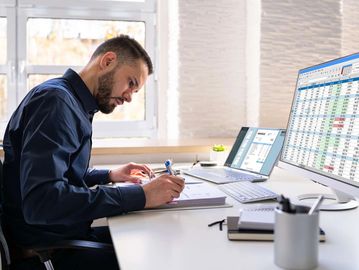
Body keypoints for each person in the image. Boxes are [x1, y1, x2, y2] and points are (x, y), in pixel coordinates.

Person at [2, 35, 185, 270]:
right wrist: (142, 196)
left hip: (63, 238)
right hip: (50, 254)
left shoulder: (71, 102)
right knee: (162, 257)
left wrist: (109, 175)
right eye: (130, 83)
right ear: (107, 61)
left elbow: (58, 174)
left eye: (135, 91)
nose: (129, 97)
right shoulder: (56, 103)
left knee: (157, 236)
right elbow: (43, 201)